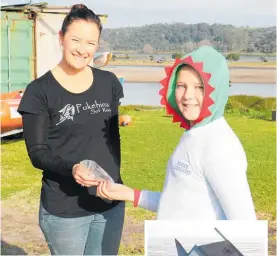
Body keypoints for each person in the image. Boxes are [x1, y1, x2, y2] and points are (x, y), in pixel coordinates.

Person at [96, 46, 257, 221]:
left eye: (199, 87)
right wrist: (131, 194)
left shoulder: (219, 146)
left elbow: (245, 222)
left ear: (216, 90)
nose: (188, 95)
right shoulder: (197, 132)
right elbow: (180, 203)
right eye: (181, 86)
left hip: (198, 248)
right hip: (175, 246)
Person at [17, 4, 124, 255]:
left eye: (91, 43)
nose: (82, 49)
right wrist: (72, 167)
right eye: (75, 39)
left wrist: (116, 184)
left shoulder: (108, 83)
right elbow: (37, 152)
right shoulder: (39, 91)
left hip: (110, 200)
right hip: (65, 209)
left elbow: (112, 138)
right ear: (61, 38)